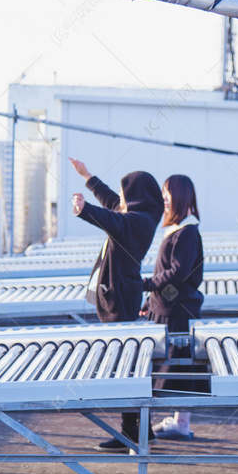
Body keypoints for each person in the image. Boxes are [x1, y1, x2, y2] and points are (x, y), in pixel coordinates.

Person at [68, 157, 163, 451]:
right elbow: (112, 204)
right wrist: (88, 176)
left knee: (127, 368)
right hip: (122, 296)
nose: (119, 200)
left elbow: (112, 218)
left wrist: (84, 211)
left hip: (120, 299)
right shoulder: (141, 216)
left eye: (124, 195)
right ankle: (139, 430)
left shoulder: (135, 223)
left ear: (133, 197)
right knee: (130, 366)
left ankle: (129, 433)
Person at [141, 174, 206, 440]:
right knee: (176, 369)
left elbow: (178, 273)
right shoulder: (180, 229)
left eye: (167, 194)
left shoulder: (187, 232)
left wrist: (144, 285)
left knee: (176, 369)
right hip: (169, 308)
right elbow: (171, 276)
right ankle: (179, 423)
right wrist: (150, 301)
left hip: (178, 312)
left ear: (180, 196)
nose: (163, 199)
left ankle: (179, 424)